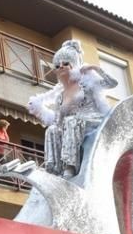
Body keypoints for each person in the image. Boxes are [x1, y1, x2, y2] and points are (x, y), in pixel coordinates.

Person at [26, 40, 117, 178]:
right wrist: (41, 112)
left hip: (93, 121)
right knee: (52, 129)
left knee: (71, 121)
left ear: (73, 65)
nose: (61, 66)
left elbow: (112, 83)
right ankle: (54, 170)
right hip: (72, 124)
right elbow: (58, 120)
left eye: (65, 63)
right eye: (57, 65)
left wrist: (95, 69)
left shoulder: (86, 83)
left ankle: (70, 168)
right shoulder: (59, 95)